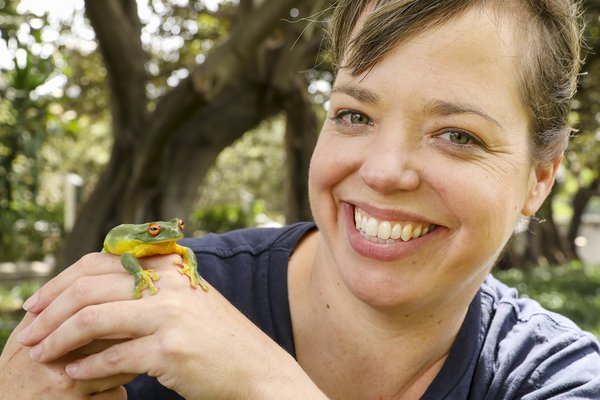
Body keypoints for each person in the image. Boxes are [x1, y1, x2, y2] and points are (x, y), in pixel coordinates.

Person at [1, 0, 599, 398]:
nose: (385, 171)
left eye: (459, 135)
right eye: (354, 114)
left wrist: (266, 385)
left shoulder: (561, 380)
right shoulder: (134, 316)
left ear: (540, 176)